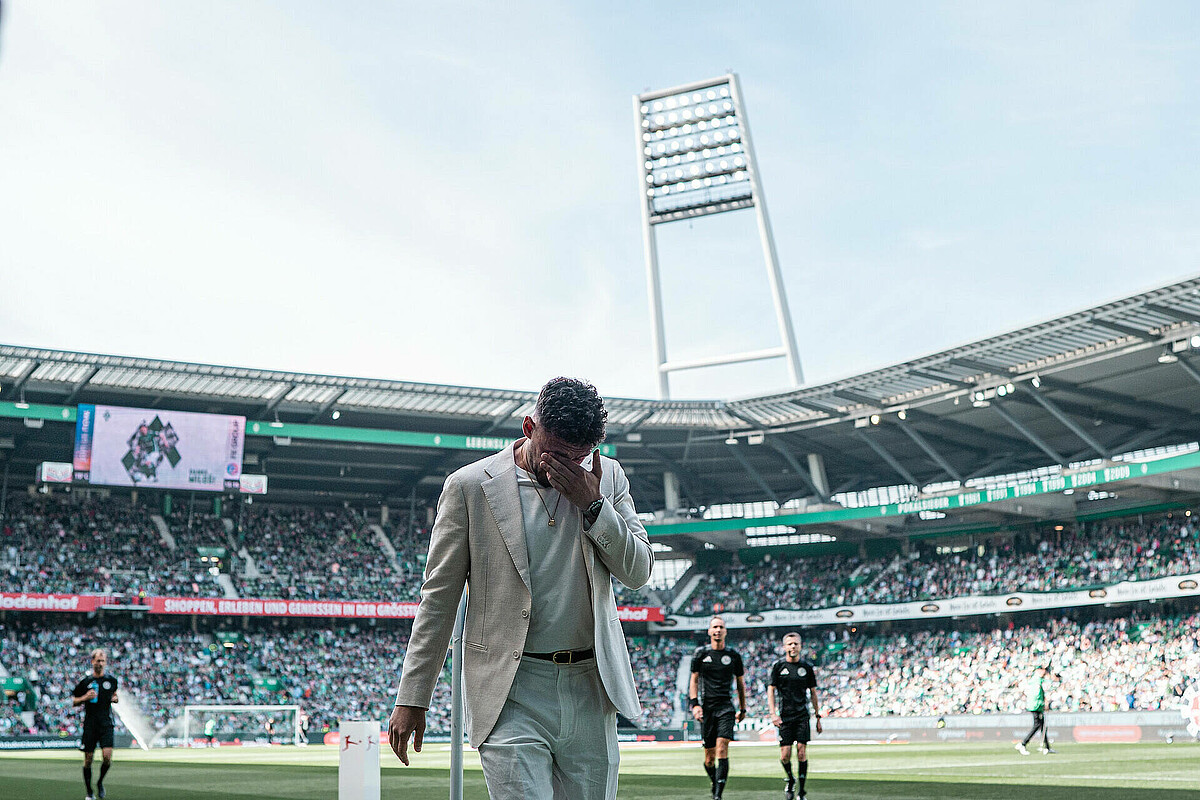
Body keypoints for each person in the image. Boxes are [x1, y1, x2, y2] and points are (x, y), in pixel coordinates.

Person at [389, 377, 653, 800]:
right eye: (556, 454)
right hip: (510, 690)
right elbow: (438, 599)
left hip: (590, 687)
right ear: (529, 428)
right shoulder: (470, 486)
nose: (566, 467)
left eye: (579, 457)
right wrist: (413, 696)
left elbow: (638, 572)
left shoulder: (606, 478)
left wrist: (594, 506)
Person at [689, 616, 746, 800]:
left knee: (722, 748)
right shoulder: (700, 654)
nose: (718, 630)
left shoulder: (734, 656)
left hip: (726, 708)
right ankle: (715, 781)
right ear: (709, 631)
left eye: (721, 627)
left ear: (725, 631)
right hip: (707, 709)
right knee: (709, 759)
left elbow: (740, 684)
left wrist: (743, 708)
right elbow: (694, 680)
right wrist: (695, 704)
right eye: (715, 627)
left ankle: (718, 796)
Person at [767, 632, 822, 800]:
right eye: (789, 644)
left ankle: (802, 792)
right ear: (784, 647)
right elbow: (771, 690)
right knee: (784, 755)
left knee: (801, 753)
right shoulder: (778, 666)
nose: (793, 646)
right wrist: (773, 713)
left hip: (802, 715)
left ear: (800, 646)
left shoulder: (806, 668)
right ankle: (790, 779)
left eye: (795, 644)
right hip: (784, 716)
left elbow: (813, 693)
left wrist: (818, 716)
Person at [71, 648, 119, 800]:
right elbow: (74, 701)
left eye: (102, 660)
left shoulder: (111, 681)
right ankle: (89, 791)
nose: (100, 663)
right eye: (97, 660)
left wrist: (115, 698)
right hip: (90, 724)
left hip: (106, 723)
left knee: (107, 757)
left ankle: (99, 783)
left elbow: (114, 694)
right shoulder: (86, 682)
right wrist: (84, 697)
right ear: (92, 662)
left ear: (106, 663)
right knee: (88, 759)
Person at [1016, 665, 1057, 755]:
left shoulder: (1036, 680)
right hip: (1035, 707)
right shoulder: (1036, 681)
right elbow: (1036, 695)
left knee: (1042, 727)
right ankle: (1023, 744)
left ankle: (1047, 747)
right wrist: (1043, 704)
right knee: (1037, 725)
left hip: (1036, 706)